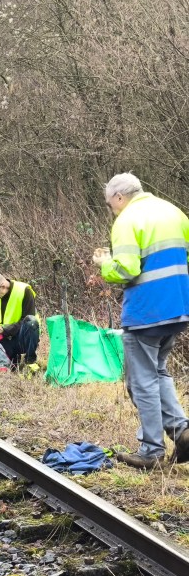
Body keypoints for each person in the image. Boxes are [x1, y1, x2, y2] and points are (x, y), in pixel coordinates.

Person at [93, 172, 189, 469]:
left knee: (141, 381)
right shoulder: (173, 212)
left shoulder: (127, 221)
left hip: (147, 311)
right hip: (179, 307)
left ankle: (151, 451)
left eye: (111, 204)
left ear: (119, 197)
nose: (112, 210)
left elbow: (126, 269)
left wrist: (103, 263)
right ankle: (183, 432)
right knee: (157, 372)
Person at [0, 272, 40, 367]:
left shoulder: (24, 291)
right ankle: (12, 360)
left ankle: (30, 361)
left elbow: (29, 320)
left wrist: (4, 329)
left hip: (21, 338)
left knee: (31, 322)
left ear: (3, 286)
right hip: (3, 338)